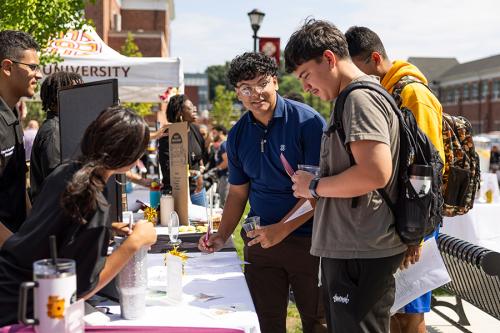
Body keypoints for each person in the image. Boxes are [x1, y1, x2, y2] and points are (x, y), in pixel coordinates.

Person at [285, 19, 407, 333]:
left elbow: (375, 172)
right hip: (358, 245)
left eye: (306, 75)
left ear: (328, 58)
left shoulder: (358, 98)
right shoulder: (356, 96)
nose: (306, 87)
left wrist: (313, 185)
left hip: (360, 248)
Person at [198, 52, 327, 333]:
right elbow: (237, 193)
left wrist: (282, 229)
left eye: (262, 83)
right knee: (264, 322)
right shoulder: (238, 135)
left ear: (276, 83)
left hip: (310, 242)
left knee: (318, 322)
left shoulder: (308, 122)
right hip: (260, 243)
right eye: (246, 88)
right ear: (237, 94)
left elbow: (318, 193)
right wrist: (221, 235)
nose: (255, 93)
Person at [0, 106, 157, 325]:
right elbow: (83, 288)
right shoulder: (93, 199)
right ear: (129, 157)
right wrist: (134, 242)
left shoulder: (65, 171)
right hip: (23, 308)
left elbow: (56, 226)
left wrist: (106, 227)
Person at [345, 26, 445, 333]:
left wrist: (414, 234)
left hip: (414, 221)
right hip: (399, 220)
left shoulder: (412, 93)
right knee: (392, 309)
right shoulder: (385, 91)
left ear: (375, 59)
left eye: (356, 69)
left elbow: (426, 169)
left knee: (411, 314)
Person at [0, 30, 43, 244]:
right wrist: (18, 251)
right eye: (33, 67)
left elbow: (17, 183)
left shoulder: (12, 113)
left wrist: (36, 230)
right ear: (8, 67)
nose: (39, 74)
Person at [30, 71, 84, 201]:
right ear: (57, 96)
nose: (80, 97)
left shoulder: (60, 127)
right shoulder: (53, 131)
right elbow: (56, 182)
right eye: (74, 93)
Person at [158, 94, 208, 206]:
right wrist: (193, 174)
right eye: (190, 108)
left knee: (203, 223)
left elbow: (201, 155)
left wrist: (201, 166)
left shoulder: (196, 130)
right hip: (175, 193)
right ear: (179, 113)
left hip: (197, 191)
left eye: (194, 106)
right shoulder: (168, 135)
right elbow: (167, 168)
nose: (195, 109)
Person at [211, 125, 229, 206]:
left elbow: (227, 161)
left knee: (224, 203)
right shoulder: (226, 143)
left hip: (226, 176)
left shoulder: (224, 144)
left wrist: (216, 169)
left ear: (220, 132)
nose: (213, 135)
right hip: (226, 176)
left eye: (214, 133)